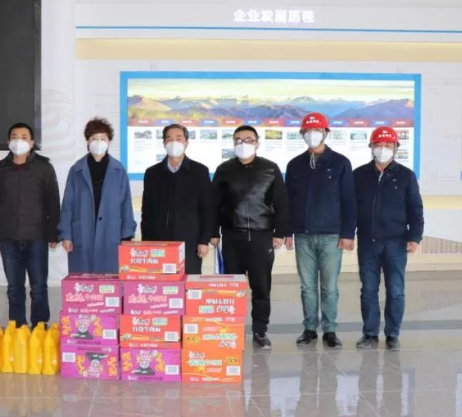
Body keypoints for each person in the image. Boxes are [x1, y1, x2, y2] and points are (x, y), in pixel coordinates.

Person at [211, 125, 289, 350]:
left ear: (257, 143)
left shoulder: (270, 169)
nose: (243, 144)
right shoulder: (224, 169)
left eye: (248, 139)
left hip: (261, 236)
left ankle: (260, 331)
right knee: (231, 289)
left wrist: (280, 232)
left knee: (261, 288)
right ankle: (231, 330)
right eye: (238, 140)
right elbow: (214, 204)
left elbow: (282, 202)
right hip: (232, 236)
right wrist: (213, 232)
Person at [285, 112, 356, 349]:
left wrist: (348, 233)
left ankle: (330, 330)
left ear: (326, 133)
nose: (312, 134)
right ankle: (309, 329)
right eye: (308, 131)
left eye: (317, 130)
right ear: (302, 134)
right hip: (303, 236)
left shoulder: (340, 163)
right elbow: (288, 201)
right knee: (307, 287)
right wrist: (287, 231)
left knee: (329, 287)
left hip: (331, 236)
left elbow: (349, 200)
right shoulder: (295, 165)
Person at [353, 126, 424, 351]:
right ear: (371, 147)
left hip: (396, 243)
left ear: (395, 148)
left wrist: (415, 236)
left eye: (388, 145)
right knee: (368, 290)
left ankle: (393, 334)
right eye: (378, 144)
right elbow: (350, 208)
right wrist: (347, 234)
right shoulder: (359, 175)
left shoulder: (406, 176)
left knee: (396, 291)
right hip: (368, 243)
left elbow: (415, 208)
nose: (382, 149)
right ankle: (370, 333)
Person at [0, 123, 60, 328]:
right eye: (14, 136)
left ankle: (40, 326)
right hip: (8, 237)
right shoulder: (1, 170)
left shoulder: (44, 168)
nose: (18, 140)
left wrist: (53, 234)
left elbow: (53, 203)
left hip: (37, 236)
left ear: (32, 142)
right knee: (14, 287)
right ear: (8, 141)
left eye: (23, 137)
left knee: (39, 287)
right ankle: (17, 326)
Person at [59, 117, 136, 273]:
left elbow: (126, 204)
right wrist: (66, 235)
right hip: (82, 234)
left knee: (109, 280)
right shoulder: (76, 170)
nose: (98, 142)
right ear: (87, 141)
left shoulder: (118, 170)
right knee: (82, 280)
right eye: (94, 138)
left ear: (109, 142)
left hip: (110, 234)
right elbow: (67, 204)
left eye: (103, 138)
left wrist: (126, 236)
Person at [141, 124, 213, 274]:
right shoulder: (152, 173)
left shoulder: (199, 171)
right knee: (160, 282)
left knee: (188, 282)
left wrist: (203, 240)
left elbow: (207, 209)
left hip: (190, 242)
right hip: (158, 242)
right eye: (169, 139)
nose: (174, 143)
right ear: (164, 143)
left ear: (186, 142)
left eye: (179, 138)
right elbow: (147, 211)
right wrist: (146, 242)